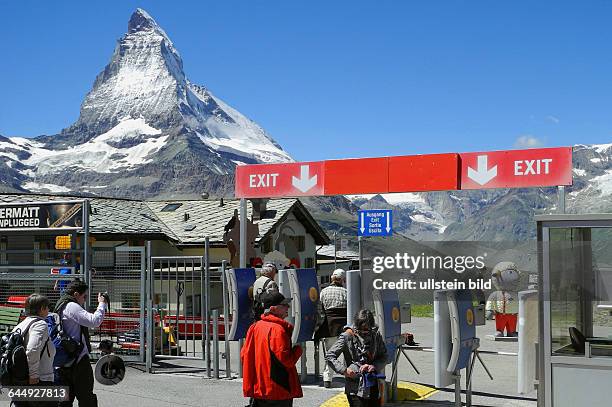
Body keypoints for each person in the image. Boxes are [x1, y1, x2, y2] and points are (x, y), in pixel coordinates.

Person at [241, 292, 303, 407]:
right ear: (274, 308)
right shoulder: (278, 330)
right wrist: (298, 350)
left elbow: (245, 355)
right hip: (277, 387)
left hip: (259, 386)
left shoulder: (254, 326)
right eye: (284, 305)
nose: (288, 307)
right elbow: (286, 360)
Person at [55, 280, 107, 407]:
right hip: (78, 361)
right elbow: (94, 321)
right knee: (86, 399)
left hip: (64, 360)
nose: (85, 299)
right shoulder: (71, 306)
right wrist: (102, 304)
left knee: (64, 400)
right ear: (76, 294)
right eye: (84, 296)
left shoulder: (61, 304)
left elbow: (73, 332)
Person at [325, 309, 388, 407]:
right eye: (362, 329)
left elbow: (384, 356)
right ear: (357, 325)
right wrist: (344, 370)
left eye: (367, 329)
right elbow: (330, 356)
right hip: (354, 386)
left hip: (372, 382)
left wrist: (374, 366)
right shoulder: (347, 336)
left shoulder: (375, 335)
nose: (364, 332)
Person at [11, 294, 56, 407]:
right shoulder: (40, 324)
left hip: (20, 379)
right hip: (39, 379)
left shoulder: (20, 325)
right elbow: (32, 349)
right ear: (41, 309)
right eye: (47, 307)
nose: (48, 310)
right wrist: (34, 375)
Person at [314, 268, 348, 388]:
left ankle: (327, 379)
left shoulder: (324, 292)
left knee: (331, 354)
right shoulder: (346, 292)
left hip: (329, 327)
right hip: (344, 328)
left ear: (331, 279)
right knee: (348, 354)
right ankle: (349, 375)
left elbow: (320, 310)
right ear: (343, 280)